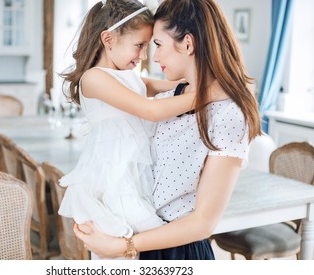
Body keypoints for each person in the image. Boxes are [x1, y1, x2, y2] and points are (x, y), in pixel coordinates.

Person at [74, 0, 262, 260]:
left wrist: (122, 245)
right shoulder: (170, 98)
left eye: (157, 45)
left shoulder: (227, 113)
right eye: (144, 46)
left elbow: (202, 223)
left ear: (187, 44)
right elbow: (149, 105)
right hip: (139, 238)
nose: (152, 57)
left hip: (175, 251)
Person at [58, 0, 215, 260]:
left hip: (137, 170)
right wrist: (207, 94)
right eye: (139, 45)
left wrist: (196, 80)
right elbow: (150, 110)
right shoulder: (93, 78)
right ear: (108, 39)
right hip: (115, 174)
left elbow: (164, 86)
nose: (144, 56)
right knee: (133, 244)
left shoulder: (127, 76)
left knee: (145, 246)